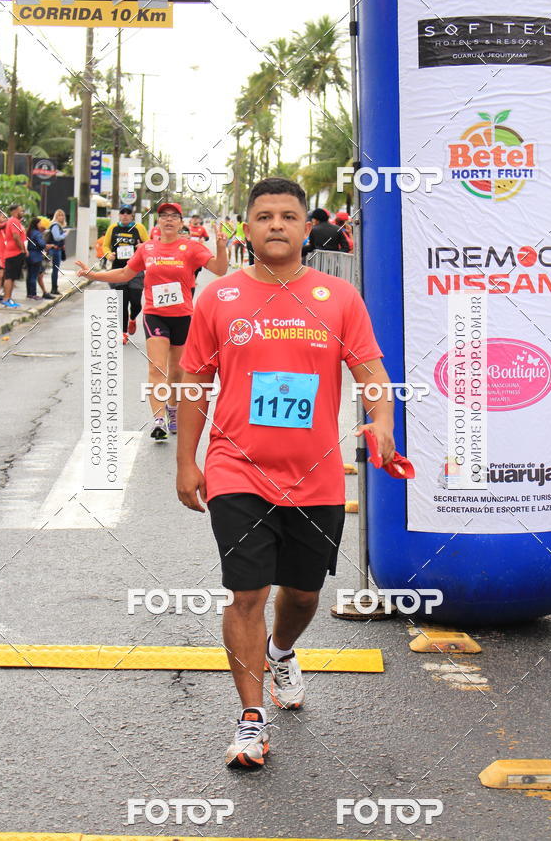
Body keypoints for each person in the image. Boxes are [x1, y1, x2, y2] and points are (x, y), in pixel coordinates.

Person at [176, 177, 395, 769]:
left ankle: (281, 650)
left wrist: (381, 421)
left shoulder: (338, 298)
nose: (276, 223)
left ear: (306, 228)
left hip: (316, 475)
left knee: (302, 595)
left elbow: (372, 373)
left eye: (288, 215)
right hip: (236, 468)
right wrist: (186, 463)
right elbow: (194, 383)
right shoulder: (217, 298)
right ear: (246, 228)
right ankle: (250, 720)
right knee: (246, 591)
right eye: (264, 215)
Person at [77, 202, 228, 440]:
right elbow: (126, 273)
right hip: (155, 314)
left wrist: (221, 246)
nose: (168, 220)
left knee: (177, 372)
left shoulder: (191, 248)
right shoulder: (147, 248)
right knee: (156, 366)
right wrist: (93, 274)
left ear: (181, 222)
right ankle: (158, 419)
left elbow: (220, 269)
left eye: (174, 216)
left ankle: (173, 410)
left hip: (183, 317)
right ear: (158, 222)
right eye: (164, 216)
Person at [103, 206, 149, 344]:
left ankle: (133, 318)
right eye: (122, 213)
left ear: (132, 216)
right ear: (119, 215)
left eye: (128, 213)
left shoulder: (138, 228)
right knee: (122, 303)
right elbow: (105, 246)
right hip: (118, 270)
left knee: (136, 303)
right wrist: (108, 255)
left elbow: (149, 244)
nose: (125, 215)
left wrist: (141, 246)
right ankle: (123, 333)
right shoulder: (113, 228)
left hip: (135, 270)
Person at [2, 203, 26, 308]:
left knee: (12, 277)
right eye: (20, 211)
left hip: (16, 252)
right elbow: (16, 236)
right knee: (9, 277)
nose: (22, 213)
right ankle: (6, 299)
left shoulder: (16, 221)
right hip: (13, 253)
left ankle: (9, 298)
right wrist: (22, 249)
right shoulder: (13, 221)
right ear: (15, 211)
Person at [25, 217, 53, 300]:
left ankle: (29, 293)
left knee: (29, 275)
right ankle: (33, 294)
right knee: (34, 276)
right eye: (40, 223)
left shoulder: (30, 232)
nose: (41, 225)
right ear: (36, 224)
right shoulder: (37, 233)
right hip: (36, 256)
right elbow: (41, 244)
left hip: (29, 255)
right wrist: (45, 245)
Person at [47, 209, 69, 296]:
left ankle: (54, 287)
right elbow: (57, 237)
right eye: (59, 215)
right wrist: (64, 234)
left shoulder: (57, 226)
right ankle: (54, 288)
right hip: (55, 249)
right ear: (56, 216)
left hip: (58, 249)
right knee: (55, 269)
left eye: (62, 215)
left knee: (56, 269)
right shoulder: (55, 226)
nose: (61, 217)